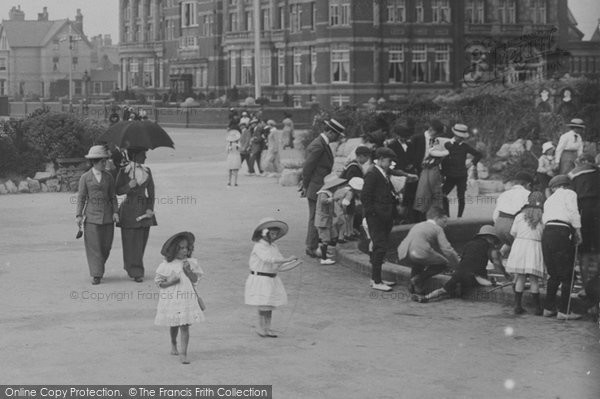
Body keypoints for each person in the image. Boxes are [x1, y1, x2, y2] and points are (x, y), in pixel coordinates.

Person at [412, 225, 511, 303]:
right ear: (490, 237)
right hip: (474, 277)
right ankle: (491, 282)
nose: (494, 242)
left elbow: (462, 260)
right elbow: (497, 262)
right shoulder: (490, 247)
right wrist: (505, 274)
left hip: (459, 273)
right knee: (489, 280)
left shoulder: (469, 244)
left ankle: (426, 297)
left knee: (444, 289)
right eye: (494, 239)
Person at [245, 218, 301, 338]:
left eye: (276, 234)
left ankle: (267, 328)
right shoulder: (259, 246)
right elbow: (268, 259)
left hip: (271, 279)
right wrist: (287, 259)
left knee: (269, 305)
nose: (274, 236)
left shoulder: (274, 247)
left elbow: (279, 264)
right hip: (260, 279)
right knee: (263, 304)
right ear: (264, 233)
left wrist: (293, 263)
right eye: (272, 233)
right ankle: (261, 328)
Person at [154, 232, 204, 364]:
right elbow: (159, 283)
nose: (184, 250)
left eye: (186, 248)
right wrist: (170, 282)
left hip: (186, 298)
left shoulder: (191, 263)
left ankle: (184, 353)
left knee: (185, 325)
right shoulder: (166, 265)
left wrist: (189, 272)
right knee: (174, 324)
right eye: (181, 248)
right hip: (172, 298)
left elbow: (195, 280)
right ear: (173, 250)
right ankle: (173, 344)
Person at [301, 119, 346, 258]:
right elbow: (308, 168)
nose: (336, 139)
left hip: (318, 186)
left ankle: (313, 245)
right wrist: (306, 185)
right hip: (316, 187)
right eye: (336, 135)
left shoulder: (321, 143)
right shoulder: (319, 145)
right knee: (316, 217)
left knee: (316, 217)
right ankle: (311, 247)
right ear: (330, 132)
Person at [76, 145, 119, 285]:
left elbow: (113, 196)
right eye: (102, 162)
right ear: (94, 162)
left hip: (107, 217)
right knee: (94, 247)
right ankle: (96, 274)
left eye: (105, 161)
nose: (105, 164)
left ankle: (98, 267)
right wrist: (79, 215)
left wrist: (115, 212)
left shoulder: (109, 177)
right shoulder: (85, 178)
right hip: (91, 217)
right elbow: (81, 198)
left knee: (106, 247)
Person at [541, 175, 583, 320]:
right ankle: (564, 311)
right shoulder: (570, 193)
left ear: (554, 187)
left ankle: (548, 308)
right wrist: (578, 230)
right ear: (566, 185)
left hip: (547, 232)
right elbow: (573, 212)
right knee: (567, 274)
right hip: (561, 231)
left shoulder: (549, 200)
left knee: (554, 273)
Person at [115, 147, 157, 282]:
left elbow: (151, 192)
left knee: (141, 241)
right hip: (129, 210)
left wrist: (150, 208)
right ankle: (135, 270)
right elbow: (117, 190)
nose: (145, 157)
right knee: (129, 241)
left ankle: (135, 268)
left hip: (144, 210)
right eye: (143, 154)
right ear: (136, 155)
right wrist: (129, 186)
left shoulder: (147, 171)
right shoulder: (124, 171)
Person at [397, 206, 460, 295]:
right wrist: (457, 264)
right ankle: (418, 279)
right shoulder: (438, 229)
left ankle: (415, 287)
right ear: (437, 218)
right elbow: (447, 250)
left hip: (403, 252)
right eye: (444, 221)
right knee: (444, 263)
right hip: (419, 252)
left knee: (418, 263)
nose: (445, 225)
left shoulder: (418, 225)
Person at [362, 147, 400, 292]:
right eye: (389, 161)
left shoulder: (380, 172)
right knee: (380, 247)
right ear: (382, 159)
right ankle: (377, 281)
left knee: (380, 247)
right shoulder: (373, 173)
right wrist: (372, 214)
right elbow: (366, 196)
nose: (391, 164)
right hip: (377, 217)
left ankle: (375, 278)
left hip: (382, 215)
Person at [506, 192, 546, 315]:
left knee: (521, 277)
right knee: (534, 279)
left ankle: (517, 306)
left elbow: (513, 232)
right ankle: (537, 308)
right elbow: (544, 234)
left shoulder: (519, 216)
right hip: (534, 246)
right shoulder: (543, 217)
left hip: (520, 245)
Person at [568, 153, 600, 286]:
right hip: (598, 208)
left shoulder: (572, 174)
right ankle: (596, 284)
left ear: (582, 161)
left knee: (583, 249)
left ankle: (587, 285)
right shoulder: (598, 172)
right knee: (598, 247)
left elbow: (569, 196)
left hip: (582, 209)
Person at [405, 119, 445, 222]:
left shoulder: (436, 141)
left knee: (429, 198)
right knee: (416, 198)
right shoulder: (416, 138)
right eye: (436, 134)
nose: (437, 136)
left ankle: (427, 219)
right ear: (431, 130)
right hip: (417, 172)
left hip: (430, 172)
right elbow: (409, 156)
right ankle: (414, 221)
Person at [441, 124, 482, 218]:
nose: (461, 139)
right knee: (442, 194)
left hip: (461, 175)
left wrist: (471, 163)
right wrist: (442, 173)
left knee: (461, 197)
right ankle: (447, 216)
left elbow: (479, 155)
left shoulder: (465, 146)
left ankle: (459, 217)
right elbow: (442, 160)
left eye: (462, 137)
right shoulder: (446, 144)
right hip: (449, 176)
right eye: (459, 137)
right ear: (455, 135)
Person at [492, 172, 533, 256]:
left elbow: (495, 215)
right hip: (512, 223)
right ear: (528, 185)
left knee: (510, 243)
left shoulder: (504, 194)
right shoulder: (527, 194)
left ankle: (499, 256)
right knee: (523, 244)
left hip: (498, 225)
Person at [413, 138, 449, 218]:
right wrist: (439, 205)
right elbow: (435, 188)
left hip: (422, 199)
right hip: (429, 203)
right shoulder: (435, 168)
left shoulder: (426, 165)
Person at [315, 177, 347, 264]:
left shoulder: (327, 193)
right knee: (325, 239)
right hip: (323, 221)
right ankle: (323, 258)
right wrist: (333, 199)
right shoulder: (324, 193)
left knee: (331, 236)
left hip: (326, 220)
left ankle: (324, 253)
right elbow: (323, 201)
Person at [334, 177, 364, 242]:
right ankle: (347, 235)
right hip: (341, 209)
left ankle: (343, 235)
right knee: (345, 222)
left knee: (338, 223)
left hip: (334, 207)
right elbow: (344, 204)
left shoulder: (343, 189)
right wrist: (345, 212)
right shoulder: (350, 193)